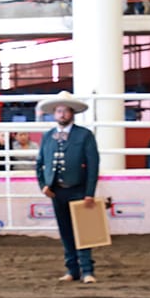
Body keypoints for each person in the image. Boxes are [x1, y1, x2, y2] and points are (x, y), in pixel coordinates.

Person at [36, 91, 100, 284]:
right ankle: (72, 270)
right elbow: (39, 164)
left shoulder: (84, 135)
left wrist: (90, 192)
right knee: (65, 232)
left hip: (79, 190)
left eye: (65, 111)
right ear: (54, 114)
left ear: (72, 113)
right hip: (57, 190)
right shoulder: (48, 136)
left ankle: (87, 270)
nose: (62, 114)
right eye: (59, 111)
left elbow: (93, 165)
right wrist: (43, 185)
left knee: (84, 231)